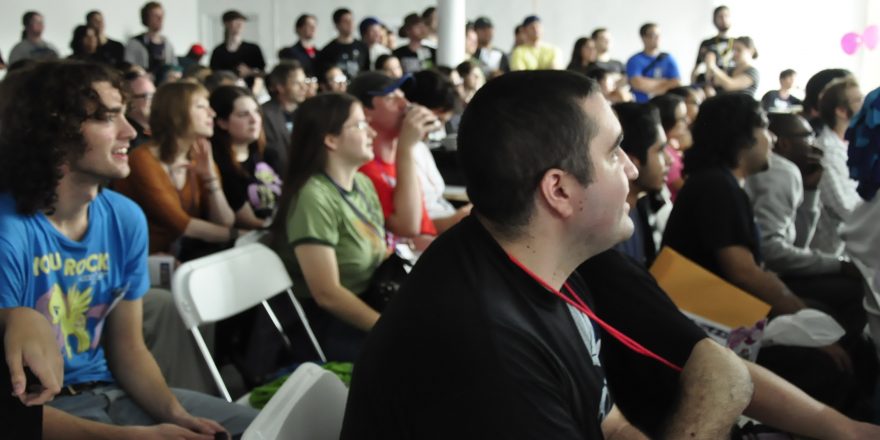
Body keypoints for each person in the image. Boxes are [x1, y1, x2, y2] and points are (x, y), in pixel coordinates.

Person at [340, 69, 880, 440]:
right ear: (559, 190)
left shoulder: (551, 261)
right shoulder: (484, 347)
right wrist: (714, 399)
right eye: (614, 150)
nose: (632, 168)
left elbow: (611, 423)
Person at [0, 60, 256, 439]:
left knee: (268, 428)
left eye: (124, 114)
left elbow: (128, 349)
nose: (131, 131)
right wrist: (135, 437)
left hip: (111, 393)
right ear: (54, 130)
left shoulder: (124, 217)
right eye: (107, 118)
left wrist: (176, 415)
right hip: (48, 414)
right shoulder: (9, 232)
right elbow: (12, 416)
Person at [662, 93, 860, 410]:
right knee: (827, 357)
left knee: (828, 312)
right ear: (743, 139)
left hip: (718, 314)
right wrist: (804, 323)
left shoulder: (720, 183)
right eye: (765, 129)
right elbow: (744, 272)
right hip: (709, 327)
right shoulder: (717, 188)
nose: (772, 139)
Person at [269, 92, 384, 362]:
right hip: (327, 324)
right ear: (330, 140)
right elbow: (327, 294)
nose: (372, 133)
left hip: (368, 302)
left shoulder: (362, 184)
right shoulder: (312, 197)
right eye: (360, 125)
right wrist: (390, 329)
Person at [113, 81, 238, 261]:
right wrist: (240, 235)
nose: (212, 113)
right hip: (142, 261)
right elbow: (181, 225)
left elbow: (224, 222)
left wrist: (210, 178)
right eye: (201, 106)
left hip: (184, 259)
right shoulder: (142, 159)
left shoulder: (198, 156)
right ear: (176, 114)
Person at [348, 72, 438, 242]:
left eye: (403, 96)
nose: (405, 104)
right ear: (364, 111)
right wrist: (406, 146)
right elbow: (408, 227)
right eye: (391, 98)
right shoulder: (363, 168)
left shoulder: (399, 159)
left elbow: (424, 226)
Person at [210, 86, 281, 229]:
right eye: (243, 114)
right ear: (222, 122)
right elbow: (247, 221)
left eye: (256, 111)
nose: (254, 119)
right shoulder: (218, 163)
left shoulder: (268, 154)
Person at [612, 102, 669, 267]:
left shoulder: (642, 206)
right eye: (660, 150)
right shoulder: (608, 233)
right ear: (631, 161)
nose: (670, 160)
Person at [812, 78, 865, 255]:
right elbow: (846, 208)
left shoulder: (852, 144)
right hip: (833, 253)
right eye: (859, 100)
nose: (866, 105)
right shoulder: (826, 152)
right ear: (841, 111)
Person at [262, 61, 309, 172]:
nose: (304, 87)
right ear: (280, 87)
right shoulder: (264, 114)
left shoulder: (308, 111)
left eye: (304, 82)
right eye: (297, 83)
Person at [650, 93, 692, 200]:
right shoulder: (663, 154)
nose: (687, 121)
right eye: (682, 118)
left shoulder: (671, 146)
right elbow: (689, 190)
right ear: (666, 121)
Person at [626, 23, 680, 103]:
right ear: (643, 38)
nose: (657, 38)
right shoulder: (635, 60)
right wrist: (664, 82)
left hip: (666, 104)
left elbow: (676, 82)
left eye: (659, 35)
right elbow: (637, 83)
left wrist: (648, 84)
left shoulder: (668, 58)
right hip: (643, 105)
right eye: (654, 35)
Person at [125, 2, 178, 81]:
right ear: (147, 18)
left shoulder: (167, 44)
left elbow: (174, 67)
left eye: (162, 16)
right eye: (155, 16)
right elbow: (128, 67)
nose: (160, 19)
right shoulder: (135, 43)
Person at [209, 10, 266, 82]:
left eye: (242, 22)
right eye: (236, 22)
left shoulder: (253, 49)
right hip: (226, 86)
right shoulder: (218, 51)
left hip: (249, 88)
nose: (240, 25)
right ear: (226, 24)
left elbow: (263, 73)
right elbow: (213, 73)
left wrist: (249, 72)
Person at [317, 8, 370, 80]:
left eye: (351, 20)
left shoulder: (363, 47)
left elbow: (367, 71)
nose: (350, 23)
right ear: (337, 25)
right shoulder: (328, 50)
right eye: (345, 21)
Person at [692, 5, 734, 86]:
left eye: (726, 16)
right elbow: (696, 68)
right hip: (712, 83)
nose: (724, 19)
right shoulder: (707, 43)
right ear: (714, 20)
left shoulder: (738, 43)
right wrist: (693, 85)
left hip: (732, 82)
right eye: (720, 17)